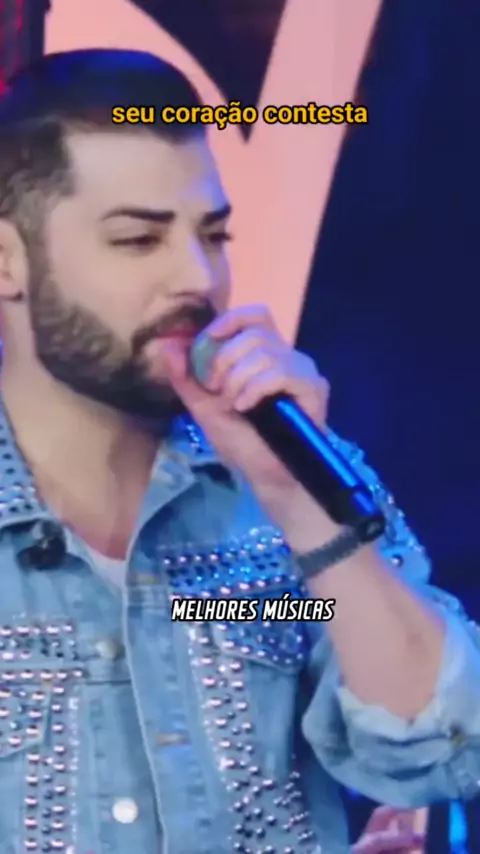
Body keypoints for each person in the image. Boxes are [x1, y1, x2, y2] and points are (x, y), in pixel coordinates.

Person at [0, 48, 477, 854]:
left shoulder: (292, 483)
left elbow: (443, 749)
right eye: (138, 240)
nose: (197, 278)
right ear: (8, 261)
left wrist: (298, 503)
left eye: (213, 235)